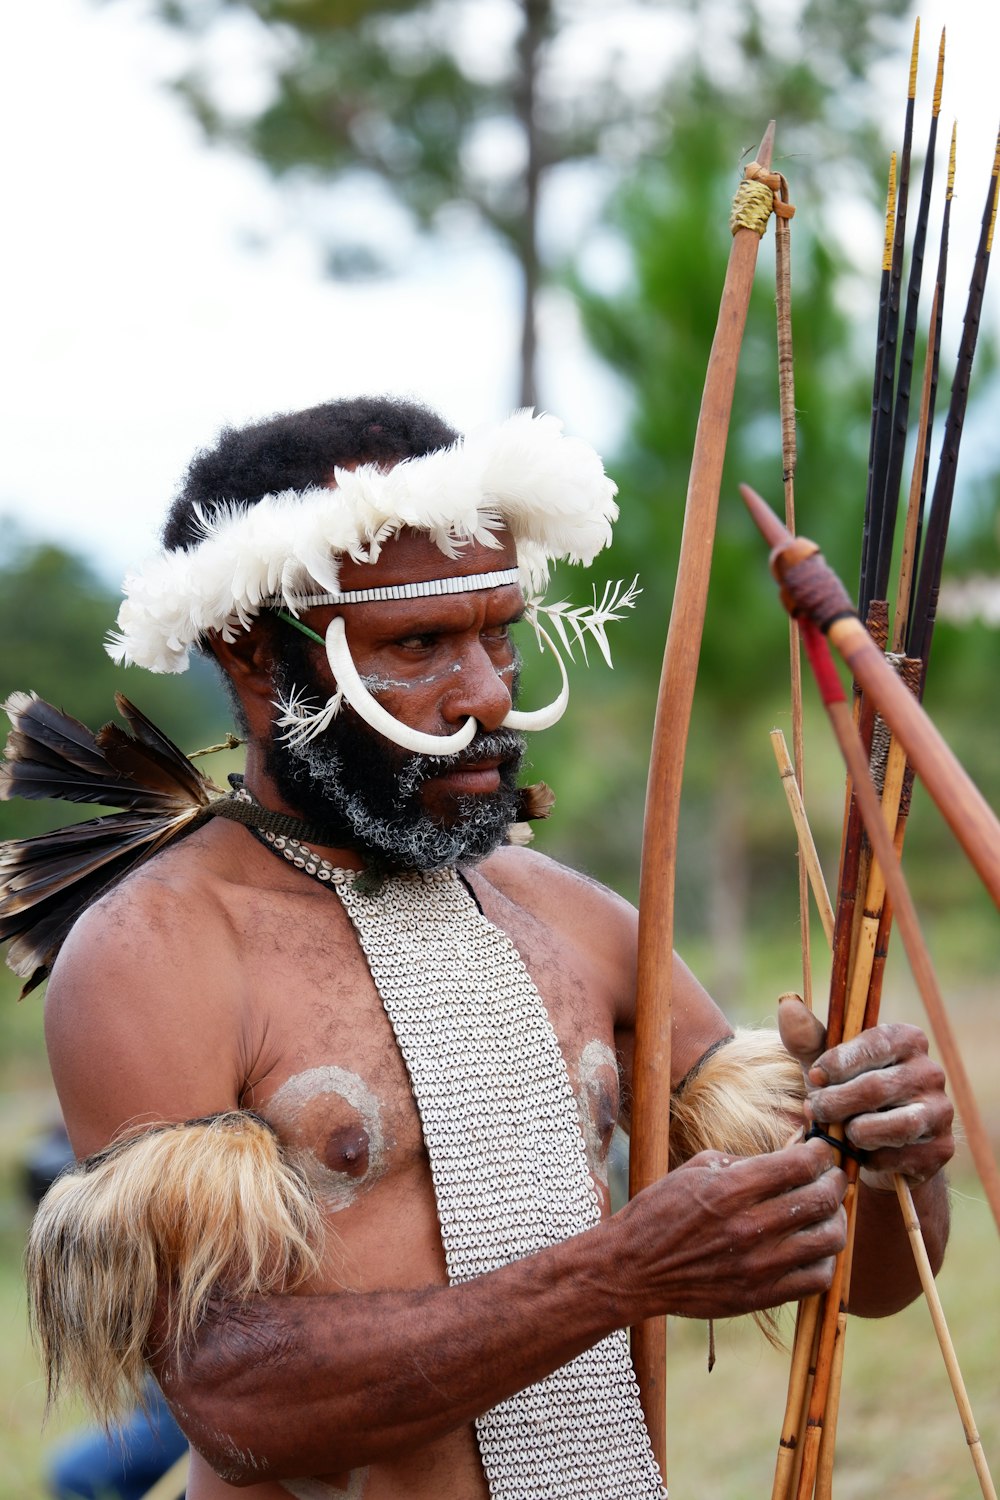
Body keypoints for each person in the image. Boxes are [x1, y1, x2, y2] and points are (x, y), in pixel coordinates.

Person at [21, 398, 953, 1500]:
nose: (487, 692)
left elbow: (865, 1279)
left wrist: (892, 1153)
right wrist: (614, 1276)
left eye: (497, 631)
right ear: (255, 659)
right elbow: (234, 1405)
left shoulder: (571, 917)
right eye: (418, 644)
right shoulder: (157, 952)